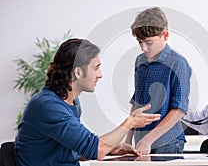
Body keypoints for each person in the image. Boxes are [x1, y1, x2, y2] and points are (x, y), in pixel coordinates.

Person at [14, 38, 161, 166]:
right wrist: (130, 122)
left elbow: (78, 150)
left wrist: (113, 149)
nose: (100, 75)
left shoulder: (71, 103)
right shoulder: (47, 106)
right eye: (96, 68)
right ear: (78, 72)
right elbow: (96, 150)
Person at [125, 7, 192, 154]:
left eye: (148, 43)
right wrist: (128, 139)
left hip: (168, 143)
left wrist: (148, 140)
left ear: (165, 35)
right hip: (140, 141)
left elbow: (179, 110)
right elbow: (137, 100)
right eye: (140, 42)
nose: (144, 48)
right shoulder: (140, 60)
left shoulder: (178, 63)